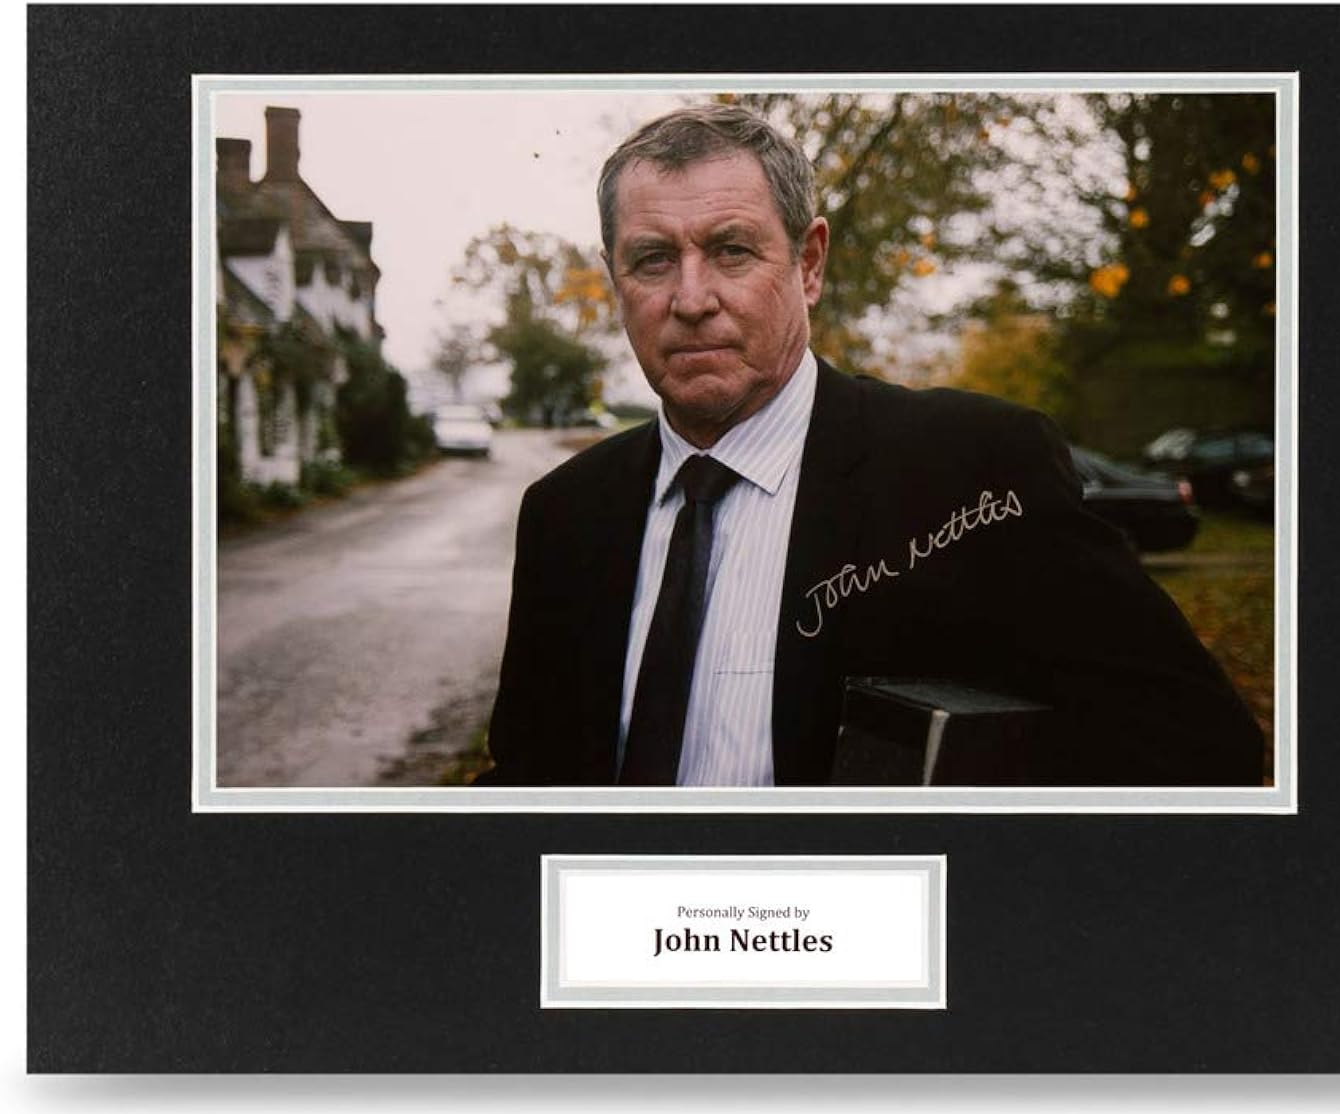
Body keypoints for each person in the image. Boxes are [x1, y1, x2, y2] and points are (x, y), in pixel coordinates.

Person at [476, 104, 1263, 788]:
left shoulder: (969, 472)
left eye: (731, 250)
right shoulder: (566, 512)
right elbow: (527, 778)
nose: (691, 299)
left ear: (809, 264)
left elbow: (1200, 744)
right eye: (652, 260)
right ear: (615, 280)